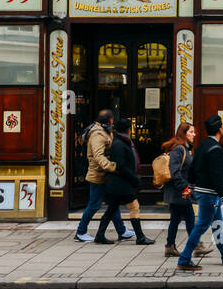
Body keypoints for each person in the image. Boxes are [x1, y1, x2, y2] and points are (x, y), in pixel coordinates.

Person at [177, 114, 223, 270]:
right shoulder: (215, 149)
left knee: (217, 225)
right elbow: (216, 176)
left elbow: (192, 170)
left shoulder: (202, 145)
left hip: (204, 191)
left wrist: (191, 187)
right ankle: (184, 259)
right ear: (220, 129)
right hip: (209, 194)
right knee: (201, 226)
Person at [74, 109, 132, 243]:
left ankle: (122, 231)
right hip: (98, 176)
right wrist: (112, 167)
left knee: (113, 203)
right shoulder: (98, 134)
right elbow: (98, 155)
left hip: (105, 175)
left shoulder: (105, 131)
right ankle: (80, 232)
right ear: (110, 120)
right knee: (94, 204)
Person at [95, 117, 155, 245]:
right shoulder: (119, 143)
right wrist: (134, 179)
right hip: (121, 183)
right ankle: (140, 237)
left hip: (119, 183)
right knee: (134, 207)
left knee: (112, 209)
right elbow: (121, 166)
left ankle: (100, 235)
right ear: (128, 130)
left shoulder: (121, 141)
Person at [160, 123, 213, 259]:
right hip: (180, 192)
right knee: (189, 217)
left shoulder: (185, 149)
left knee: (176, 219)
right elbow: (175, 172)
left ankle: (170, 246)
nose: (194, 134)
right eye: (191, 132)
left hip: (180, 191)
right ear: (184, 133)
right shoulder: (178, 149)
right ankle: (197, 246)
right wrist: (186, 188)